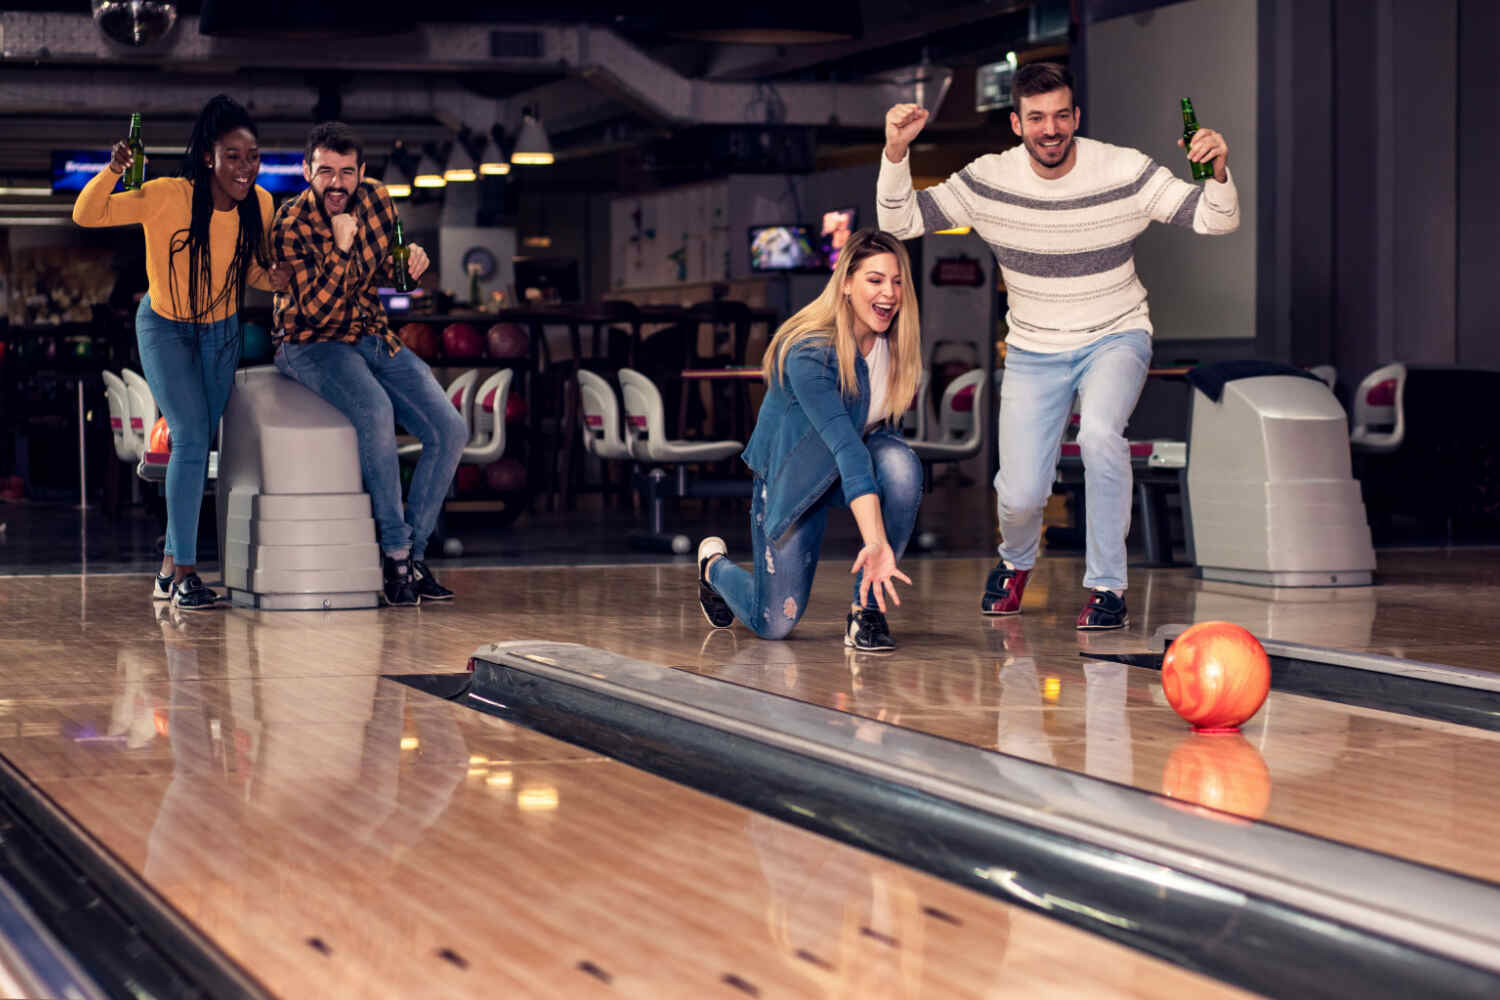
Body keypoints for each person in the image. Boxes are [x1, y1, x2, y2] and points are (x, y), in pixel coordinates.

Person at [877, 62, 1239, 630]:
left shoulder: (1122, 170)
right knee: (1019, 494)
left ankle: (1106, 586)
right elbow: (898, 222)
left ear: (1077, 117)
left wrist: (1217, 171)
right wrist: (897, 153)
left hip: (1116, 331)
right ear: (1017, 125)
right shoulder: (988, 180)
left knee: (1099, 436)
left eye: (1061, 116)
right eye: (1037, 118)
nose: (1051, 129)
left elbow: (1216, 221)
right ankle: (1016, 561)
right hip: (1031, 347)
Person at [73, 94, 286, 611]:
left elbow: (252, 269)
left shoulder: (261, 203)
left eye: (252, 155)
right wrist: (111, 172)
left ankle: (169, 568)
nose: (244, 167)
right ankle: (188, 572)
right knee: (190, 437)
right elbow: (87, 213)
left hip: (222, 332)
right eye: (233, 155)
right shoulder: (167, 195)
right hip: (165, 328)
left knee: (197, 443)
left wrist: (277, 278)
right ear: (209, 156)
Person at [696, 229, 924, 651]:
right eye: (875, 280)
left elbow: (880, 442)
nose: (889, 293)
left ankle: (865, 612)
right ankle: (713, 568)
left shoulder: (896, 346)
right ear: (846, 285)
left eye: (896, 282)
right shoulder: (810, 351)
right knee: (775, 624)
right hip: (795, 478)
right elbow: (847, 447)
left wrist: (878, 541)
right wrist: (876, 541)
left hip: (846, 476)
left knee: (901, 464)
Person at [270, 122, 466, 607]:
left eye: (347, 173)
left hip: (372, 335)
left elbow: (387, 277)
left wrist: (411, 263)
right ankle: (395, 553)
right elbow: (316, 312)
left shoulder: (378, 198)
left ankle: (413, 557)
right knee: (376, 411)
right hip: (310, 343)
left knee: (450, 429)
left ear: (362, 172)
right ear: (305, 171)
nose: (336, 184)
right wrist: (338, 248)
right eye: (324, 172)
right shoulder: (289, 223)